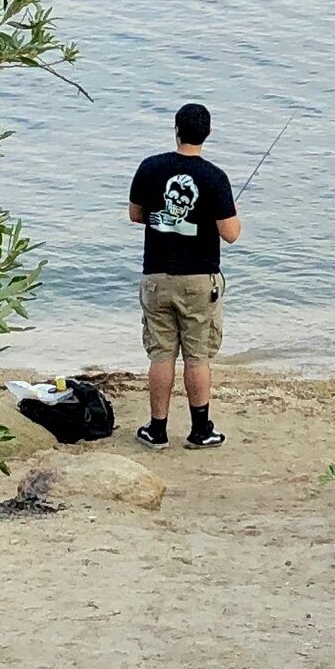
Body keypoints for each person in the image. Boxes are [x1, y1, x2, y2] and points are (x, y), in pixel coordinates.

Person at [127, 101, 240, 447]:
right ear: (207, 133)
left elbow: (135, 214)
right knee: (197, 356)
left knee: (161, 355)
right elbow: (231, 233)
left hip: (156, 276)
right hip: (199, 280)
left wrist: (166, 220)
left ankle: (157, 429)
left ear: (176, 129)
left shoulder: (150, 167)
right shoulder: (215, 177)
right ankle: (200, 430)